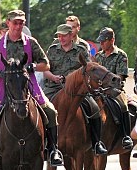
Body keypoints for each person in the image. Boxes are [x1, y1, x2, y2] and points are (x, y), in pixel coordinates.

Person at [0, 9, 63, 170]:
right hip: (3, 86)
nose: (18, 26)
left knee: (51, 112)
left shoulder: (31, 42)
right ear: (8, 23)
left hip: (27, 84)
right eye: (15, 22)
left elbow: (46, 64)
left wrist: (33, 66)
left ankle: (53, 150)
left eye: (21, 23)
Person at [43, 24, 107, 155]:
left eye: (63, 35)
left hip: (77, 89)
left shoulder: (81, 50)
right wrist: (53, 77)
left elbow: (89, 67)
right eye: (59, 36)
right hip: (54, 87)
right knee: (41, 108)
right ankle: (44, 144)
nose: (61, 38)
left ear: (71, 35)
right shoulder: (52, 49)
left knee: (94, 109)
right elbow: (45, 69)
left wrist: (72, 79)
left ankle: (96, 143)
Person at [95, 27, 133, 150]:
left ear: (112, 40)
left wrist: (107, 86)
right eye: (100, 41)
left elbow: (120, 77)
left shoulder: (121, 55)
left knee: (123, 105)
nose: (101, 44)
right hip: (99, 90)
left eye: (104, 41)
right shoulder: (98, 56)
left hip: (115, 90)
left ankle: (126, 136)